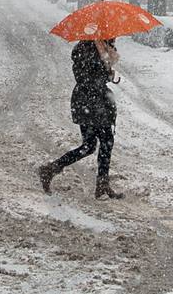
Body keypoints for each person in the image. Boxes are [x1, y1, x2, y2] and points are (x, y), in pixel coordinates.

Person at [38, 38, 124, 200]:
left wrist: (108, 72)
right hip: (88, 102)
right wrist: (104, 73)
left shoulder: (103, 49)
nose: (115, 37)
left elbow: (98, 76)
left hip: (96, 102)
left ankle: (100, 184)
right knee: (96, 144)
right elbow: (84, 77)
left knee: (98, 144)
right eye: (112, 34)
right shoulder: (86, 48)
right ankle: (51, 170)